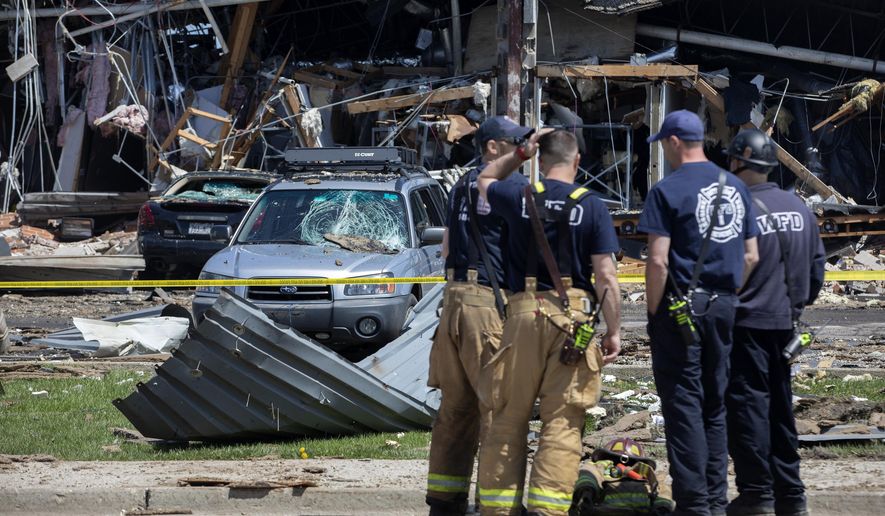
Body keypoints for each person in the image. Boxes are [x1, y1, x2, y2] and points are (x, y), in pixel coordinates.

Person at [475, 129, 621, 516]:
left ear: (540, 161)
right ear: (576, 162)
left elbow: (486, 178)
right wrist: (614, 331)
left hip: (522, 312)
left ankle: (498, 509)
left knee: (508, 415)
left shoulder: (519, 196)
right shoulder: (591, 205)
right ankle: (547, 509)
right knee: (563, 420)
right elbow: (605, 275)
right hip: (574, 319)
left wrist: (519, 153)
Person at [638, 110, 759, 516]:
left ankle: (693, 503)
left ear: (674, 142)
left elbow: (657, 262)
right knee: (715, 401)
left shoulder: (666, 190)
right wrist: (726, 295)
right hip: (724, 305)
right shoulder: (735, 186)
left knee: (683, 402)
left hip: (679, 308)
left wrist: (654, 313)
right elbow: (750, 255)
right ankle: (713, 498)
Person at [426, 116, 532, 516]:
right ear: (492, 148)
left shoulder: (462, 185)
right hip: (486, 304)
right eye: (516, 143)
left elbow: (447, 247)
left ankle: (444, 502)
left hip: (453, 301)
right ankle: (499, 507)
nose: (523, 151)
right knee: (500, 409)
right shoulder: (512, 186)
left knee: (455, 408)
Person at [723, 129, 825, 516]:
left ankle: (757, 493)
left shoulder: (737, 208)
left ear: (736, 161)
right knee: (781, 411)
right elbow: (816, 269)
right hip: (785, 326)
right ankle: (791, 496)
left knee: (748, 411)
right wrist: (795, 306)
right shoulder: (798, 207)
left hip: (746, 324)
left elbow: (729, 268)